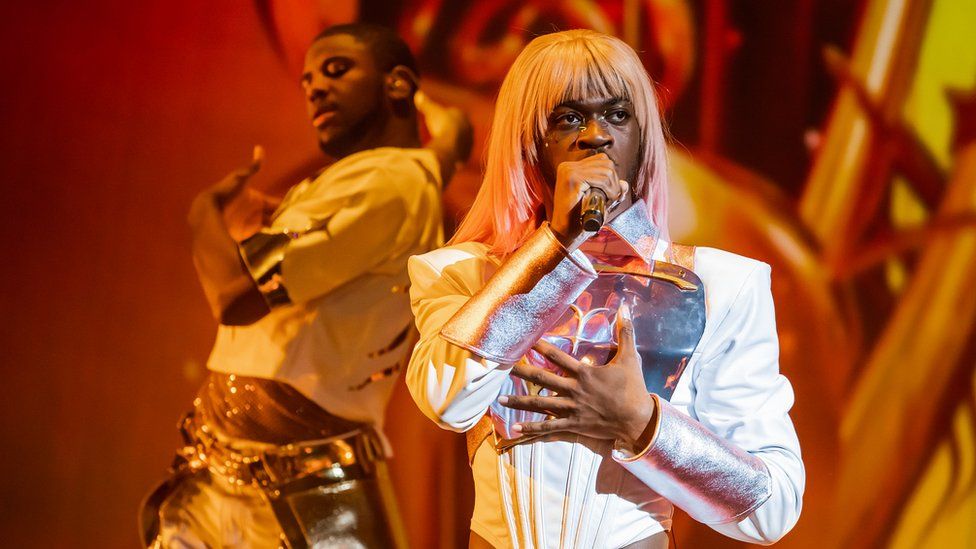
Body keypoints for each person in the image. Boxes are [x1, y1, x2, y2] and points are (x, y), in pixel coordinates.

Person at [406, 29, 804, 548]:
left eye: (617, 115)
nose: (595, 135)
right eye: (568, 118)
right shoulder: (456, 274)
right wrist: (557, 243)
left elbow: (771, 508)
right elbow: (444, 400)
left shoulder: (722, 285)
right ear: (529, 142)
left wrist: (642, 422)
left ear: (644, 138)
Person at [140, 23, 472, 548]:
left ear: (397, 84)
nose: (315, 87)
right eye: (308, 80)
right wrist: (450, 140)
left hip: (302, 495)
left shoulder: (388, 181)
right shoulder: (392, 176)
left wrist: (204, 212)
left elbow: (234, 296)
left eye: (337, 70)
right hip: (240, 477)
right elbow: (432, 161)